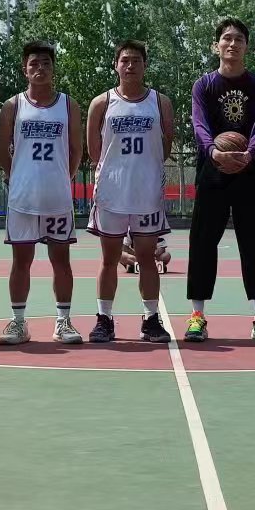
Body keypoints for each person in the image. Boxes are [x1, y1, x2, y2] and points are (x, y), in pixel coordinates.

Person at [186, 18, 255, 342]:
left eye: (239, 39)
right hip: (212, 170)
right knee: (202, 242)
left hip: (249, 170)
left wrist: (248, 154)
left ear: (247, 46)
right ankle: (197, 316)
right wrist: (214, 152)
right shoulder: (204, 85)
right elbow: (199, 124)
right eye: (226, 38)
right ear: (216, 46)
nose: (232, 44)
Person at [86, 40, 175, 343]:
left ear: (145, 65)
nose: (130, 65)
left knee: (147, 258)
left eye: (136, 60)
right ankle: (104, 319)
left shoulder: (160, 102)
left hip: (146, 194)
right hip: (112, 193)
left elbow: (165, 147)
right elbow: (94, 151)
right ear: (116, 65)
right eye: (125, 60)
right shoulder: (102, 103)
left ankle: (150, 319)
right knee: (109, 259)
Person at [0, 41, 84, 345]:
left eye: (46, 63)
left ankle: (63, 321)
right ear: (25, 69)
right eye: (34, 63)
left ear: (53, 68)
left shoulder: (68, 105)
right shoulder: (13, 106)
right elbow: (2, 149)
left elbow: (76, 150)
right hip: (23, 198)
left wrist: (63, 177)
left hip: (56, 197)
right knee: (21, 261)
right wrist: (17, 176)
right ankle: (19, 322)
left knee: (61, 260)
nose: (40, 68)